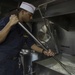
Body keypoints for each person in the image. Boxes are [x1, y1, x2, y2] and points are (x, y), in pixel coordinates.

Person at [0, 1, 55, 75]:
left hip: (16, 62)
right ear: (22, 12)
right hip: (3, 62)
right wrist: (10, 24)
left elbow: (31, 44)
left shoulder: (26, 28)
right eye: (30, 15)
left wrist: (44, 51)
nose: (31, 18)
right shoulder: (6, 21)